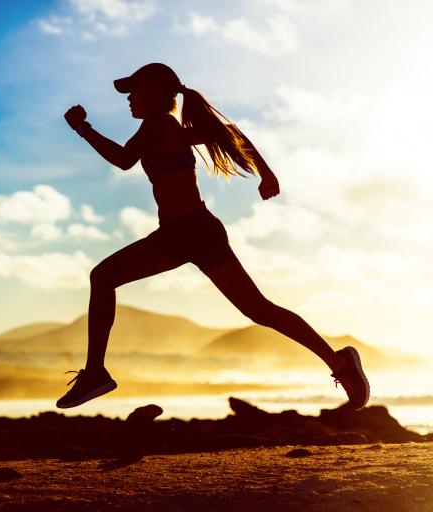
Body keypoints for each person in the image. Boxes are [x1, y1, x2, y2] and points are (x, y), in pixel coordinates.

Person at [56, 63, 370, 411]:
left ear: (159, 92)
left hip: (196, 232)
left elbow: (124, 159)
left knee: (258, 309)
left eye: (135, 90)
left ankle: (97, 373)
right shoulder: (168, 129)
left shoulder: (157, 125)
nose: (129, 98)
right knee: (258, 310)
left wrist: (83, 129)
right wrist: (266, 174)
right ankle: (339, 364)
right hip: (176, 236)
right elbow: (230, 133)